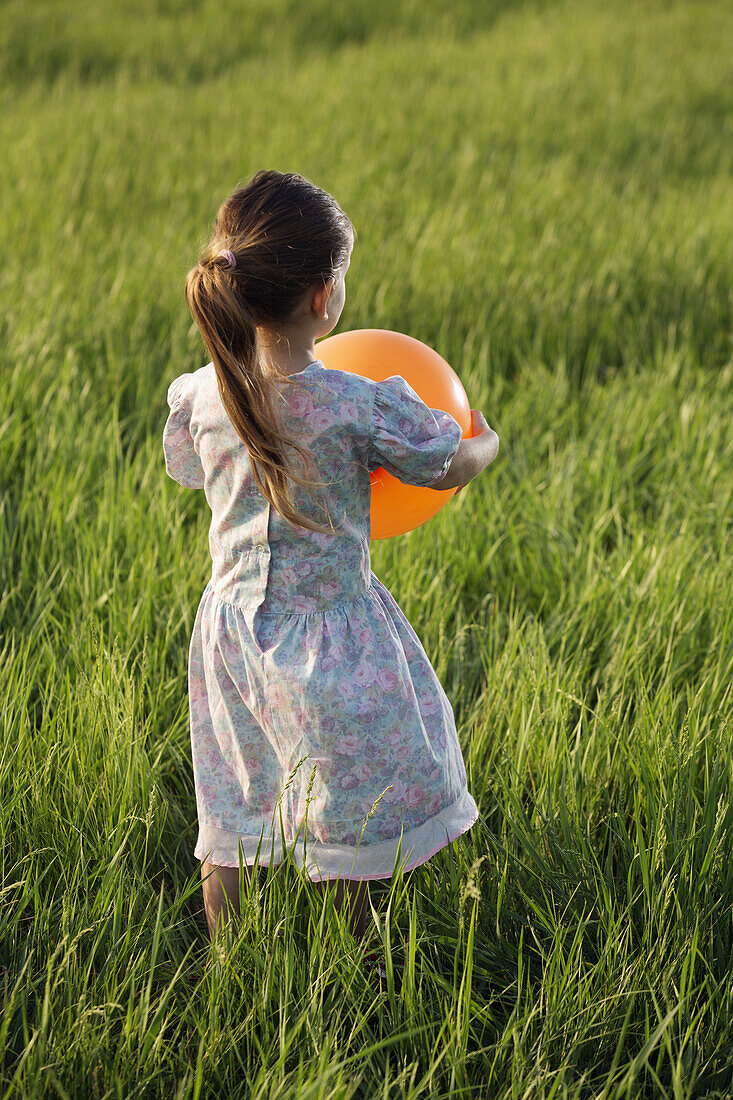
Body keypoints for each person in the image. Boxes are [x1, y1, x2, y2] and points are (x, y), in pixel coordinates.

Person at [163, 169, 500, 969]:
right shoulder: (356, 403)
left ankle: (225, 958)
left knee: (235, 790)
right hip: (330, 638)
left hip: (231, 632)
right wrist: (483, 437)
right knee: (342, 798)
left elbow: (187, 467)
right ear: (323, 298)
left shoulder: (203, 394)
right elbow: (446, 464)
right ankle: (362, 962)